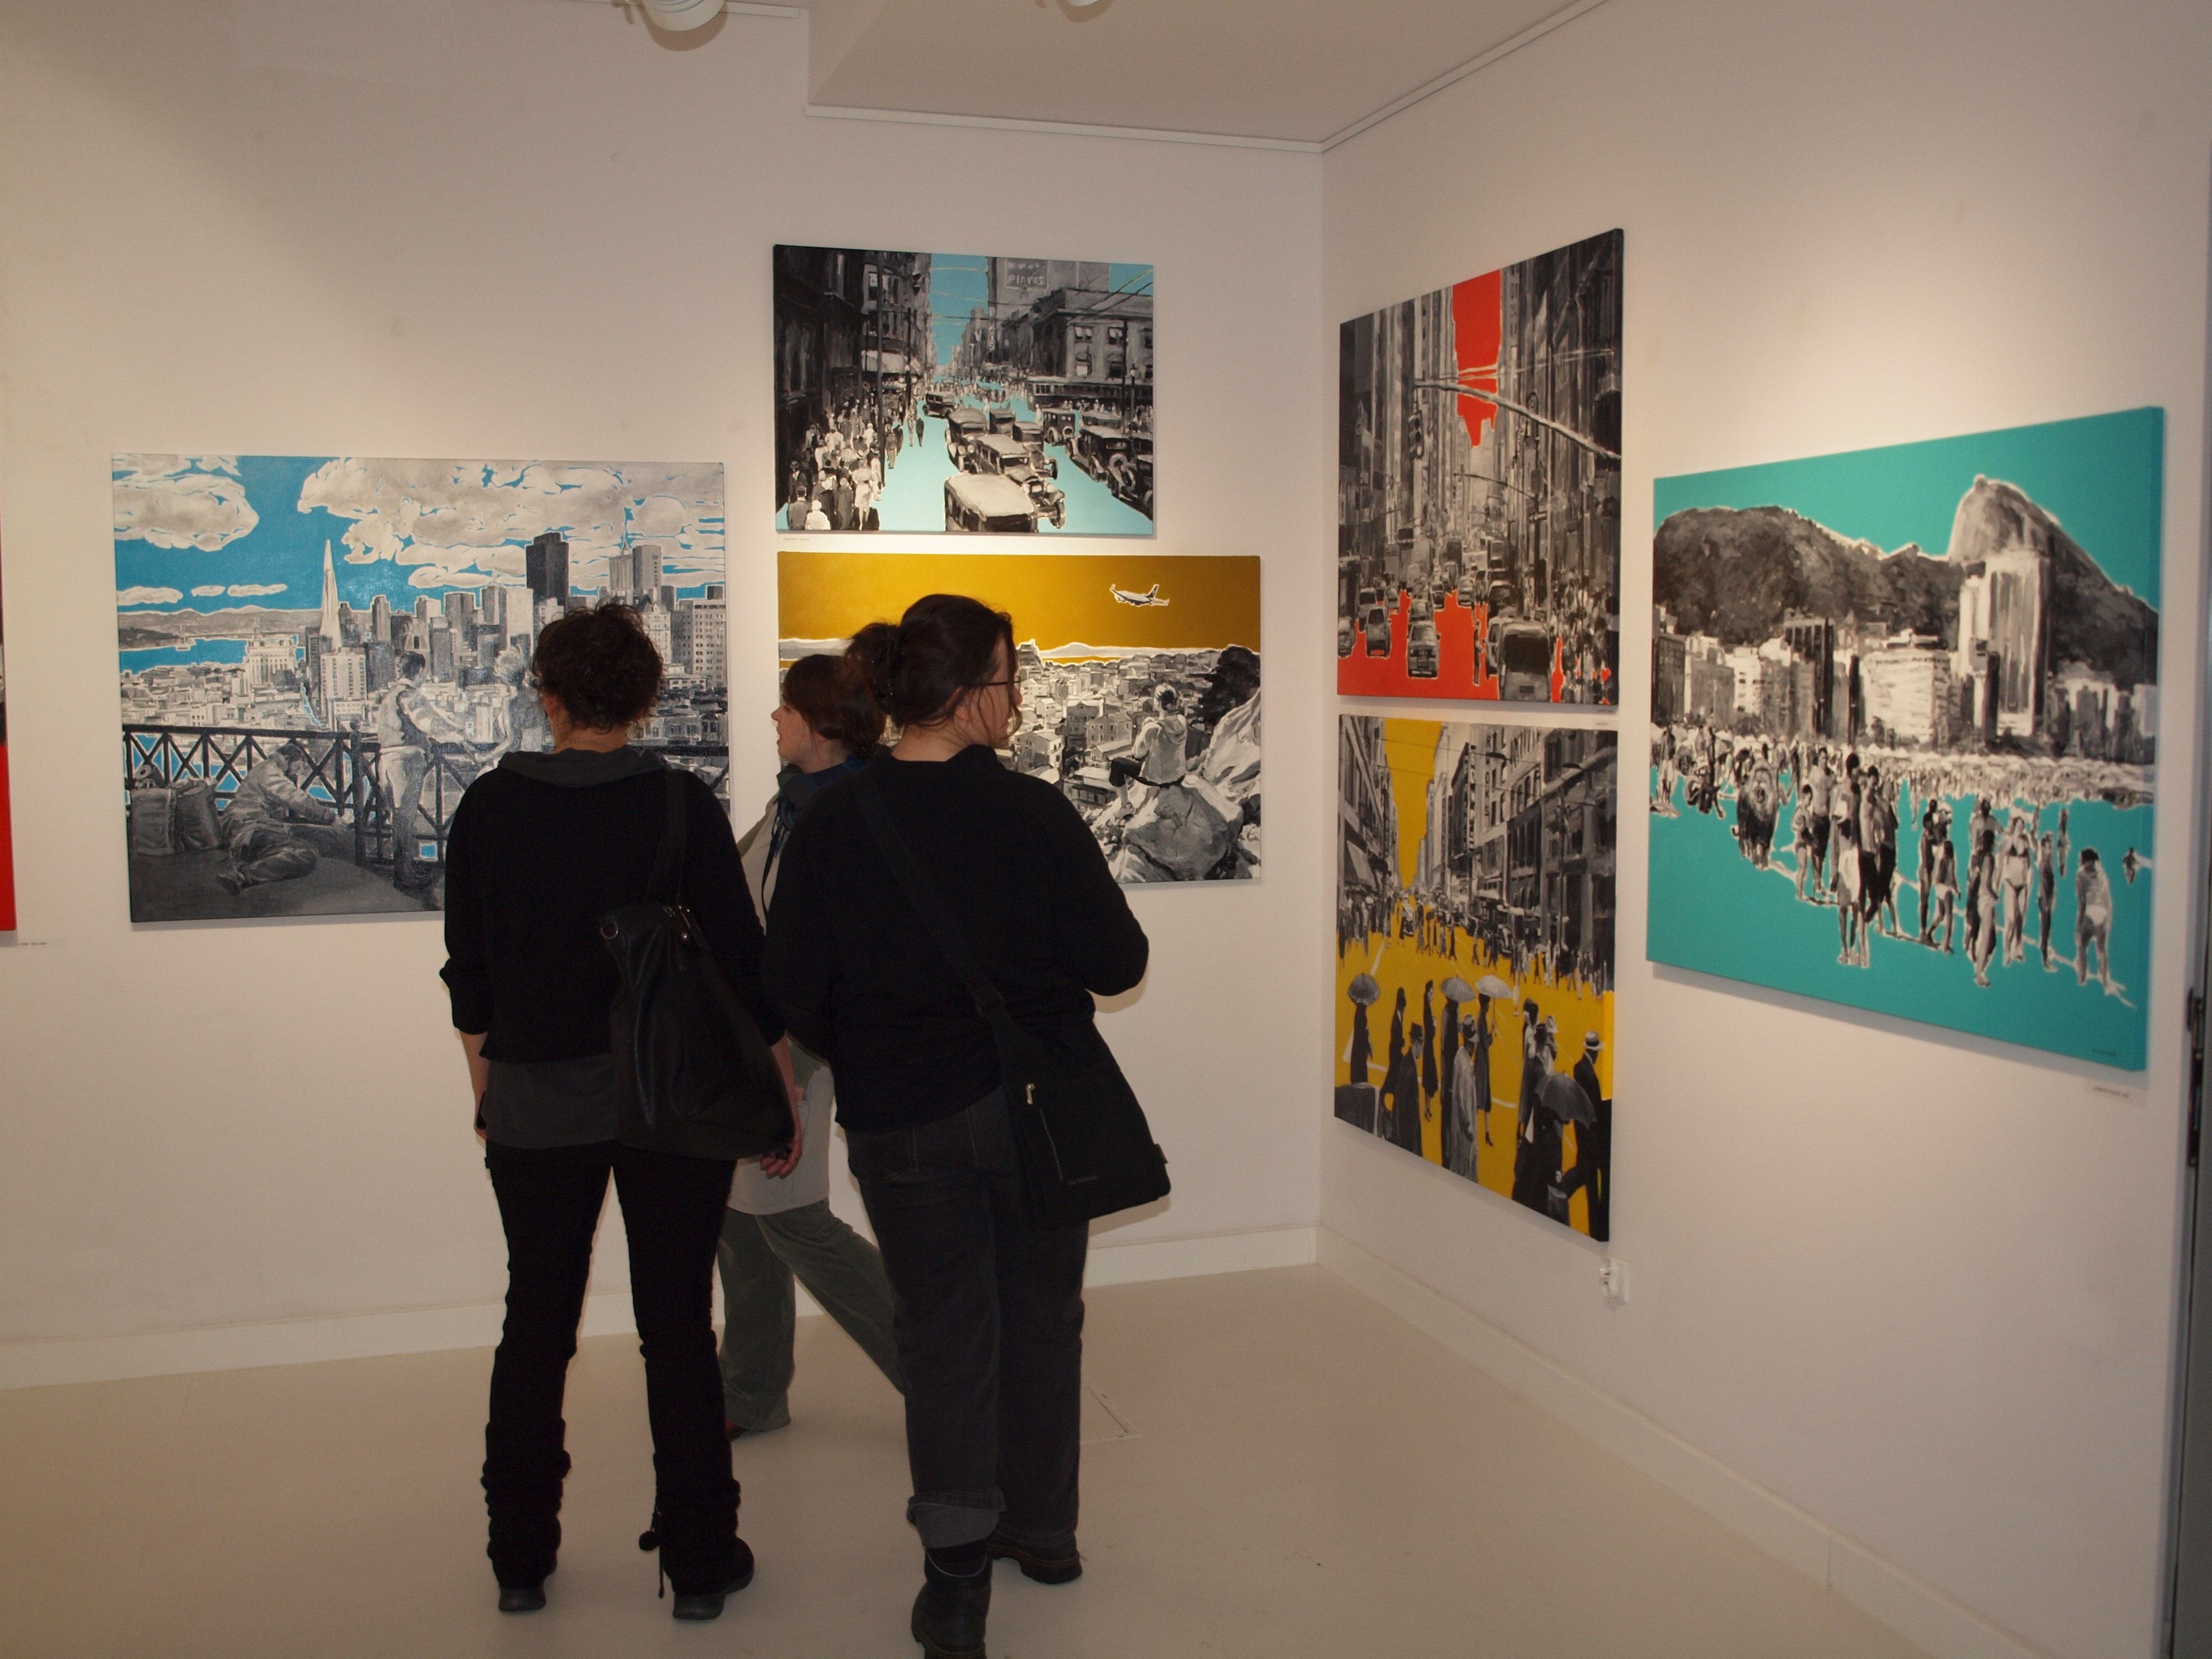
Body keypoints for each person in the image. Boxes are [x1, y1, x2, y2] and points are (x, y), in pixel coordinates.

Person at [763, 595, 1148, 1659]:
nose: (1017, 698)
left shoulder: (837, 818)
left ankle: (957, 1578)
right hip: (1034, 1112)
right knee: (1042, 1318)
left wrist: (873, 1048)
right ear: (973, 696)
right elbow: (1117, 963)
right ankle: (1046, 1531)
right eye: (1010, 679)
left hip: (903, 1120)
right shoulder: (1035, 814)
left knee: (942, 1335)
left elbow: (789, 987)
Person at [439, 603, 781, 1621]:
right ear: (643, 701)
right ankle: (701, 1561)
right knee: (677, 1325)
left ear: (548, 698)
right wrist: (777, 1087)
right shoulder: (680, 803)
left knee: (536, 1323)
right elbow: (744, 965)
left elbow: (470, 974)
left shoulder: (488, 808)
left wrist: (486, 1087)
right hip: (669, 1101)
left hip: (537, 1100)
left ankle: (519, 1558)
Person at [717, 656, 906, 1439]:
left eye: (787, 708)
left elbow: (845, 953)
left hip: (810, 1040)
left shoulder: (852, 812)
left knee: (790, 1216)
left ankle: (948, 1373)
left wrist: (789, 1063)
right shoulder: (795, 801)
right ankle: (750, 1391)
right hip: (766, 1032)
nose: (775, 718)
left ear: (824, 725)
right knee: (739, 1216)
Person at [215, 741, 345, 896]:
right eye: (296, 767)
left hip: (262, 825)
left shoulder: (269, 768)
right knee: (303, 855)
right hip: (250, 829)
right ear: (287, 760)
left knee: (326, 835)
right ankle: (242, 876)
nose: (297, 773)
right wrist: (330, 817)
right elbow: (297, 800)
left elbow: (297, 799)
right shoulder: (269, 772)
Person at [2076, 847, 2114, 989]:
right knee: (2101, 950)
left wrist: (2078, 926)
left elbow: (2082, 902)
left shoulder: (2081, 876)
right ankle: (2104, 979)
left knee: (2082, 946)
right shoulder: (2102, 875)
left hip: (2089, 913)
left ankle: (2082, 977)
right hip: (2102, 913)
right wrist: (2108, 919)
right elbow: (2108, 899)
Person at [2037, 831, 2058, 969]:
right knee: (2045, 931)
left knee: (2046, 930)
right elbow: (2046, 883)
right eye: (2049, 847)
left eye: (2051, 846)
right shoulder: (2045, 863)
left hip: (2046, 898)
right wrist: (2047, 902)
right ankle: (2045, 960)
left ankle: (2046, 954)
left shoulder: (2049, 860)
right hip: (2045, 899)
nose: (2051, 849)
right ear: (2044, 848)